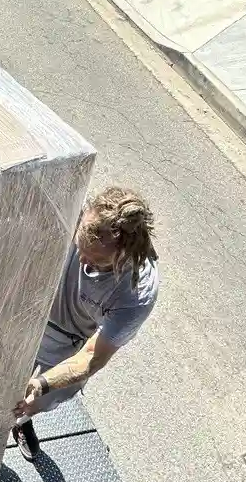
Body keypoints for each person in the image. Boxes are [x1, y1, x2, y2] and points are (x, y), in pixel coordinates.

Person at [12, 187, 159, 458]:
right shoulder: (76, 208)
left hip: (66, 343)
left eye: (96, 261)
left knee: (28, 400)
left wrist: (43, 384)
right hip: (27, 311)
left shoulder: (135, 294)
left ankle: (22, 422)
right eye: (80, 248)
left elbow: (93, 357)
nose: (82, 261)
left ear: (123, 258)